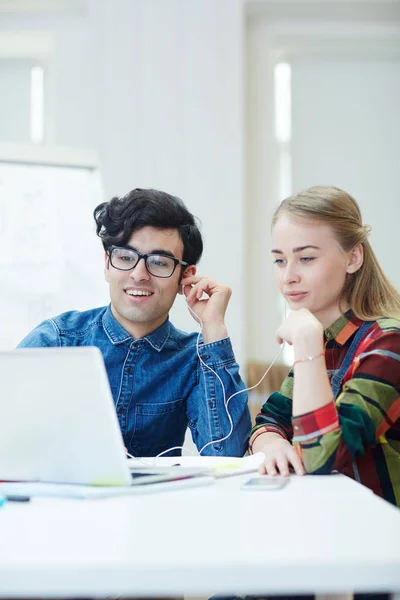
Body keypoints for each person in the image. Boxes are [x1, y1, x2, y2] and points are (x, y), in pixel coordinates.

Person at [18, 188, 251, 457]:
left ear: (185, 277)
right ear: (107, 264)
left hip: (156, 500)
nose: (139, 275)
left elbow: (227, 455)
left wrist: (214, 328)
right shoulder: (57, 341)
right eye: (126, 258)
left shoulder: (194, 357)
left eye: (159, 262)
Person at [249, 185, 400, 509]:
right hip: (330, 524)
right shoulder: (328, 339)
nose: (288, 276)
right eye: (279, 260)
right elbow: (269, 420)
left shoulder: (389, 344)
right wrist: (272, 445)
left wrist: (305, 345)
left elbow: (320, 457)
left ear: (353, 257)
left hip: (381, 539)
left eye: (306, 258)